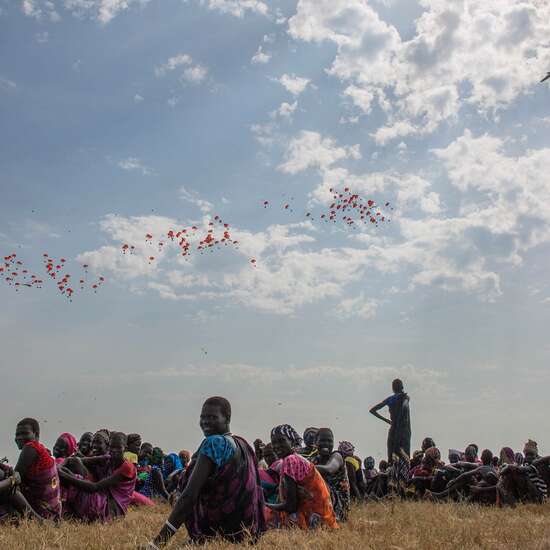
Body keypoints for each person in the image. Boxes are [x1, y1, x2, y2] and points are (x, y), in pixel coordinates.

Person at [144, 397, 266, 547]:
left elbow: (189, 497)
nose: (206, 422)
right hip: (244, 533)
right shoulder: (243, 444)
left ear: (227, 418)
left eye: (212, 417)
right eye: (203, 417)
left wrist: (157, 544)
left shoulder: (215, 443)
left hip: (218, 533)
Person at [266, 424, 337, 530]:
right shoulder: (295, 458)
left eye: (281, 441)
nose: (277, 446)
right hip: (324, 519)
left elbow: (291, 506)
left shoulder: (290, 461)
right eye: (274, 442)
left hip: (315, 522)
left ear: (292, 442)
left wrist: (265, 504)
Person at [58, 431, 136, 522]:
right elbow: (73, 460)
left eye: (118, 447)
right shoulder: (108, 458)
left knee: (72, 479)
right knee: (71, 469)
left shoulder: (127, 467)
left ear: (125, 449)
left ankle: (68, 509)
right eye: (111, 447)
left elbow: (95, 487)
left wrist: (64, 475)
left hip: (112, 510)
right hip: (102, 499)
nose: (114, 450)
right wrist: (61, 468)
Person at [0, 418, 61, 521]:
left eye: (24, 433)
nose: (19, 438)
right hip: (51, 511)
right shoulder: (41, 450)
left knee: (6, 482)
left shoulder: (31, 447)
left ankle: (39, 522)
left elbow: (16, 479)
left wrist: (11, 478)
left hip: (42, 511)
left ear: (36, 435)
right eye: (17, 434)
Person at [370, 379, 411, 464]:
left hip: (393, 429)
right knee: (405, 457)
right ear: (402, 387)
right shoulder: (405, 398)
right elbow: (405, 406)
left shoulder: (390, 399)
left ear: (393, 388)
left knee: (392, 456)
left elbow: (373, 410)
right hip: (403, 430)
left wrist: (387, 420)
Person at [312, 430, 350, 521]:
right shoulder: (314, 460)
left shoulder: (337, 456)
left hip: (338, 506)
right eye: (323, 440)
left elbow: (329, 469)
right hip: (321, 502)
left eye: (329, 441)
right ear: (315, 442)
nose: (326, 444)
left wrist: (302, 467)